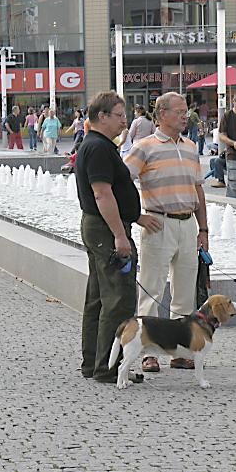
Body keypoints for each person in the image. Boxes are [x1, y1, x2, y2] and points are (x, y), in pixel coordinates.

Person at [75, 91, 157, 384]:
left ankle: (93, 363)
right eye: (120, 116)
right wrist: (120, 236)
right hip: (106, 229)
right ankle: (109, 368)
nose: (125, 121)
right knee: (118, 300)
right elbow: (102, 194)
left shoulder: (97, 145)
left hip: (99, 227)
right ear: (102, 116)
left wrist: (135, 216)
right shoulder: (98, 148)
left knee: (98, 297)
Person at [124, 91, 209, 373]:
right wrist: (137, 216)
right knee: (152, 289)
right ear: (162, 114)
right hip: (159, 222)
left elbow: (198, 190)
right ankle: (147, 351)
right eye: (179, 112)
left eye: (185, 111)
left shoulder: (190, 147)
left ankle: (180, 350)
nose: (185, 116)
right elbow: (122, 181)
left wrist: (203, 229)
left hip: (187, 224)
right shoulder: (144, 147)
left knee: (184, 291)